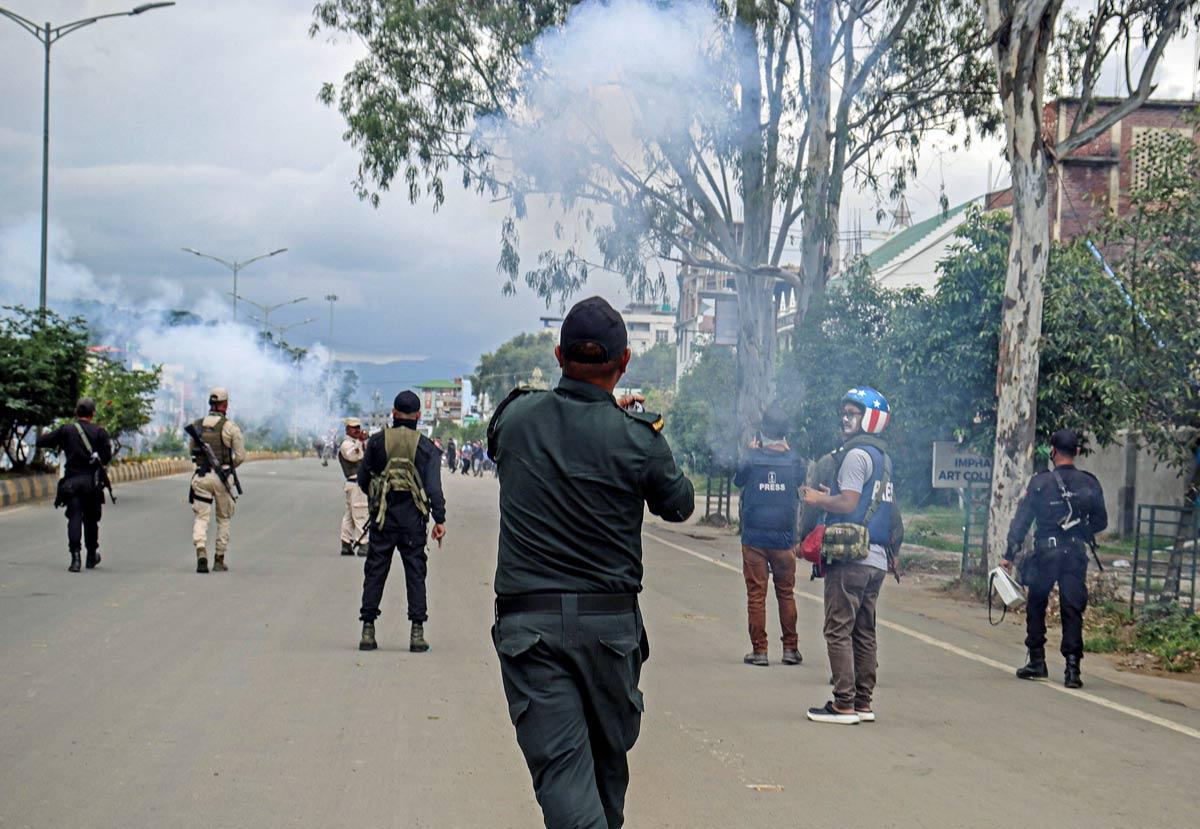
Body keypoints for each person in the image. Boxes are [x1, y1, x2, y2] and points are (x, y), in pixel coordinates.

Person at [488, 296, 695, 829]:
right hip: (610, 632)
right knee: (605, 769)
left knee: (570, 776)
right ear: (624, 363)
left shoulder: (515, 418)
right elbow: (679, 504)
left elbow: (498, 443)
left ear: (558, 356)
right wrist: (629, 428)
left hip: (531, 629)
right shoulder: (638, 439)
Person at [801, 387, 895, 725]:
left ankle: (843, 703)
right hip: (877, 559)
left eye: (853, 413)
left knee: (837, 629)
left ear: (869, 418)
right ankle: (863, 702)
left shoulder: (856, 455)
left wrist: (817, 500)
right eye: (844, 412)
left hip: (851, 557)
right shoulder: (883, 457)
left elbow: (849, 504)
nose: (845, 418)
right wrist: (834, 496)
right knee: (864, 631)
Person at [1000, 428, 1107, 688]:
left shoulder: (1040, 483)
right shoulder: (1089, 482)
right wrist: (1080, 529)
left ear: (1053, 451)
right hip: (1074, 553)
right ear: (1078, 453)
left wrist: (1009, 555)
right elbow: (1101, 521)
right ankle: (1073, 669)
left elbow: (1022, 522)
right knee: (1072, 608)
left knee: (1036, 603)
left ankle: (1037, 661)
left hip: (1046, 554)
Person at [356, 390, 447, 653]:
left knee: (375, 571)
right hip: (413, 523)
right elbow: (434, 489)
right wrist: (439, 519)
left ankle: (368, 630)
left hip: (383, 520)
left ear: (394, 413)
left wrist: (378, 500)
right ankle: (417, 634)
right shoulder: (427, 447)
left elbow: (363, 479)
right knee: (416, 574)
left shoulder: (375, 443)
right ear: (419, 415)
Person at [733, 404, 806, 667]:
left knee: (756, 595)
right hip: (784, 539)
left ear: (763, 431)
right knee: (786, 593)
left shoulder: (751, 458)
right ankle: (790, 648)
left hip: (753, 538)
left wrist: (750, 451)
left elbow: (738, 480)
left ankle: (760, 651)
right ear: (785, 433)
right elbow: (799, 481)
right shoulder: (796, 461)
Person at [36, 397, 113, 572]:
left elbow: (41, 442)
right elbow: (107, 457)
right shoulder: (100, 432)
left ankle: (75, 558)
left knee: (74, 518)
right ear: (93, 413)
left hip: (71, 483)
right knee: (92, 520)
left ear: (76, 413)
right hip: (92, 484)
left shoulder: (67, 430)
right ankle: (91, 556)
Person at [189, 387, 246, 574]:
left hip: (201, 476)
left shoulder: (197, 426)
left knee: (201, 517)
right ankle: (219, 559)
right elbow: (240, 456)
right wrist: (228, 467)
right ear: (225, 404)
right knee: (223, 518)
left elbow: (192, 452)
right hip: (222, 478)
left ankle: (200, 551)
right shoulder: (230, 427)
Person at [338, 417, 369, 556]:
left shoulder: (356, 442)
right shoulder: (346, 444)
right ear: (347, 430)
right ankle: (363, 544)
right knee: (361, 512)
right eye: (353, 427)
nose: (356, 430)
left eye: (358, 427)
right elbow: (354, 456)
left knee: (350, 516)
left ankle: (346, 543)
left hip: (357, 484)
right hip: (355, 483)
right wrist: (361, 441)